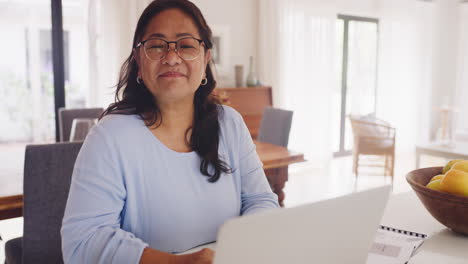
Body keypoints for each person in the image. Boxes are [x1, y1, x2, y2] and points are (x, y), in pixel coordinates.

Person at [60, 0, 279, 263]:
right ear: (139, 61)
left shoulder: (229, 123)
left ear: (205, 58)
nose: (172, 57)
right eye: (156, 45)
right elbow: (84, 241)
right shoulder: (110, 136)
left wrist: (237, 251)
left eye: (186, 45)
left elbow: (262, 200)